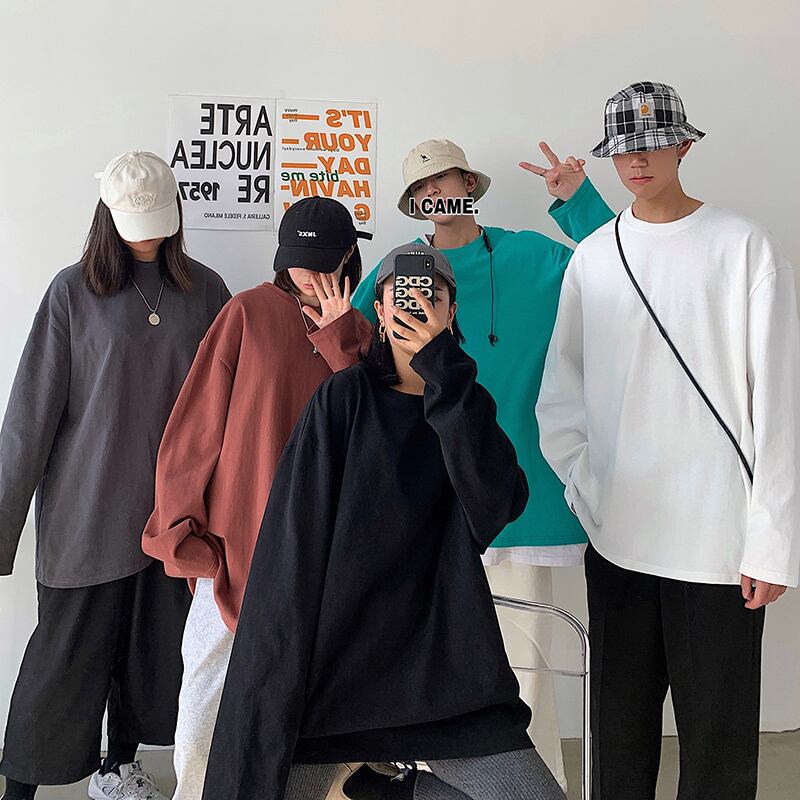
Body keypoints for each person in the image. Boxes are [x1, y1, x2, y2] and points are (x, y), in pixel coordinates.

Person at [201, 243, 566, 800]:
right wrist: (277, 673)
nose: (414, 303)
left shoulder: (466, 402)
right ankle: (369, 776)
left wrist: (444, 371)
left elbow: (496, 507)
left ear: (452, 312)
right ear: (378, 308)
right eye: (402, 292)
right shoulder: (343, 399)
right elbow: (293, 541)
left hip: (443, 670)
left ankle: (386, 790)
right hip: (337, 670)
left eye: (431, 294)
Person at [536, 81, 800, 799]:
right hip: (620, 537)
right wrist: (588, 490)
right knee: (617, 738)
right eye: (625, 148)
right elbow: (561, 393)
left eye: (653, 143)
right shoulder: (595, 257)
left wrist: (771, 539)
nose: (638, 160)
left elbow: (777, 402)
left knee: (718, 746)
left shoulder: (743, 246)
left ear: (684, 144)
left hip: (717, 544)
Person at [351, 138, 614, 789]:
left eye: (446, 178)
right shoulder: (397, 270)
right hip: (428, 504)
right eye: (422, 187)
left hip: (520, 500)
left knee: (525, 674)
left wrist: (578, 201)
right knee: (429, 670)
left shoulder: (533, 256)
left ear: (469, 183)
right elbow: (354, 363)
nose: (436, 193)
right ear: (413, 203)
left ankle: (535, 791)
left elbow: (625, 267)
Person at [0, 152, 231, 800]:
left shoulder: (206, 292)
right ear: (108, 215)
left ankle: (117, 769)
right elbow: (29, 417)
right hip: (86, 516)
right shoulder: (72, 293)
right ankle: (18, 793)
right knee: (61, 669)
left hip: (172, 519)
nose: (148, 237)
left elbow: (231, 406)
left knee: (149, 662)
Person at [141, 197, 373, 800]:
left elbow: (374, 428)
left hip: (322, 556)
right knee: (206, 699)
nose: (311, 275)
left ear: (349, 256)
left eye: (325, 261)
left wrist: (340, 337)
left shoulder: (362, 334)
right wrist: (182, 537)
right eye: (300, 261)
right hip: (234, 545)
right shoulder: (246, 312)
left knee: (311, 706)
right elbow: (195, 430)